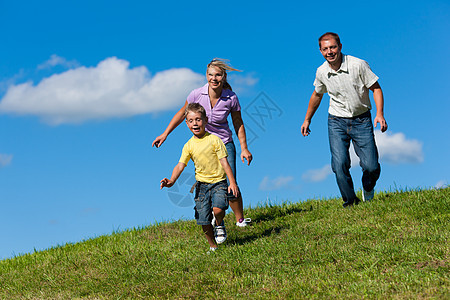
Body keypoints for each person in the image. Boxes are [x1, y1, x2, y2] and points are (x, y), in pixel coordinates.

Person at [153, 58, 252, 226]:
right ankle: (215, 216)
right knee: (209, 182)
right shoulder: (196, 94)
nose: (214, 78)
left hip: (225, 143)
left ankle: (240, 220)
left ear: (224, 77)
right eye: (211, 75)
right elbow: (182, 113)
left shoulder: (231, 98)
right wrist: (165, 133)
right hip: (204, 145)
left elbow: (238, 122)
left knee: (230, 181)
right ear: (206, 76)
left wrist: (244, 148)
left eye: (218, 75)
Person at [301, 32, 388, 208]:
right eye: (325, 49)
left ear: (340, 47)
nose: (329, 52)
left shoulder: (358, 65)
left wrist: (380, 114)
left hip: (362, 119)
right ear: (320, 51)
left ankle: (368, 188)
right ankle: (350, 203)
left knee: (371, 166)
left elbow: (376, 89)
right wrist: (307, 119)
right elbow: (317, 95)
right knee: (339, 164)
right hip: (336, 121)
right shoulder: (321, 72)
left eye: (332, 47)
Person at [160, 103, 239, 252]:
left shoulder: (215, 140)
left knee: (218, 209)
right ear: (186, 123)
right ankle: (212, 246)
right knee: (203, 219)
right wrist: (171, 181)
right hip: (201, 186)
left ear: (206, 120)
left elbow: (225, 163)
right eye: (191, 120)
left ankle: (219, 222)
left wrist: (232, 182)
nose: (195, 123)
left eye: (198, 119)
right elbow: (180, 165)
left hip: (219, 182)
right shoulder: (188, 145)